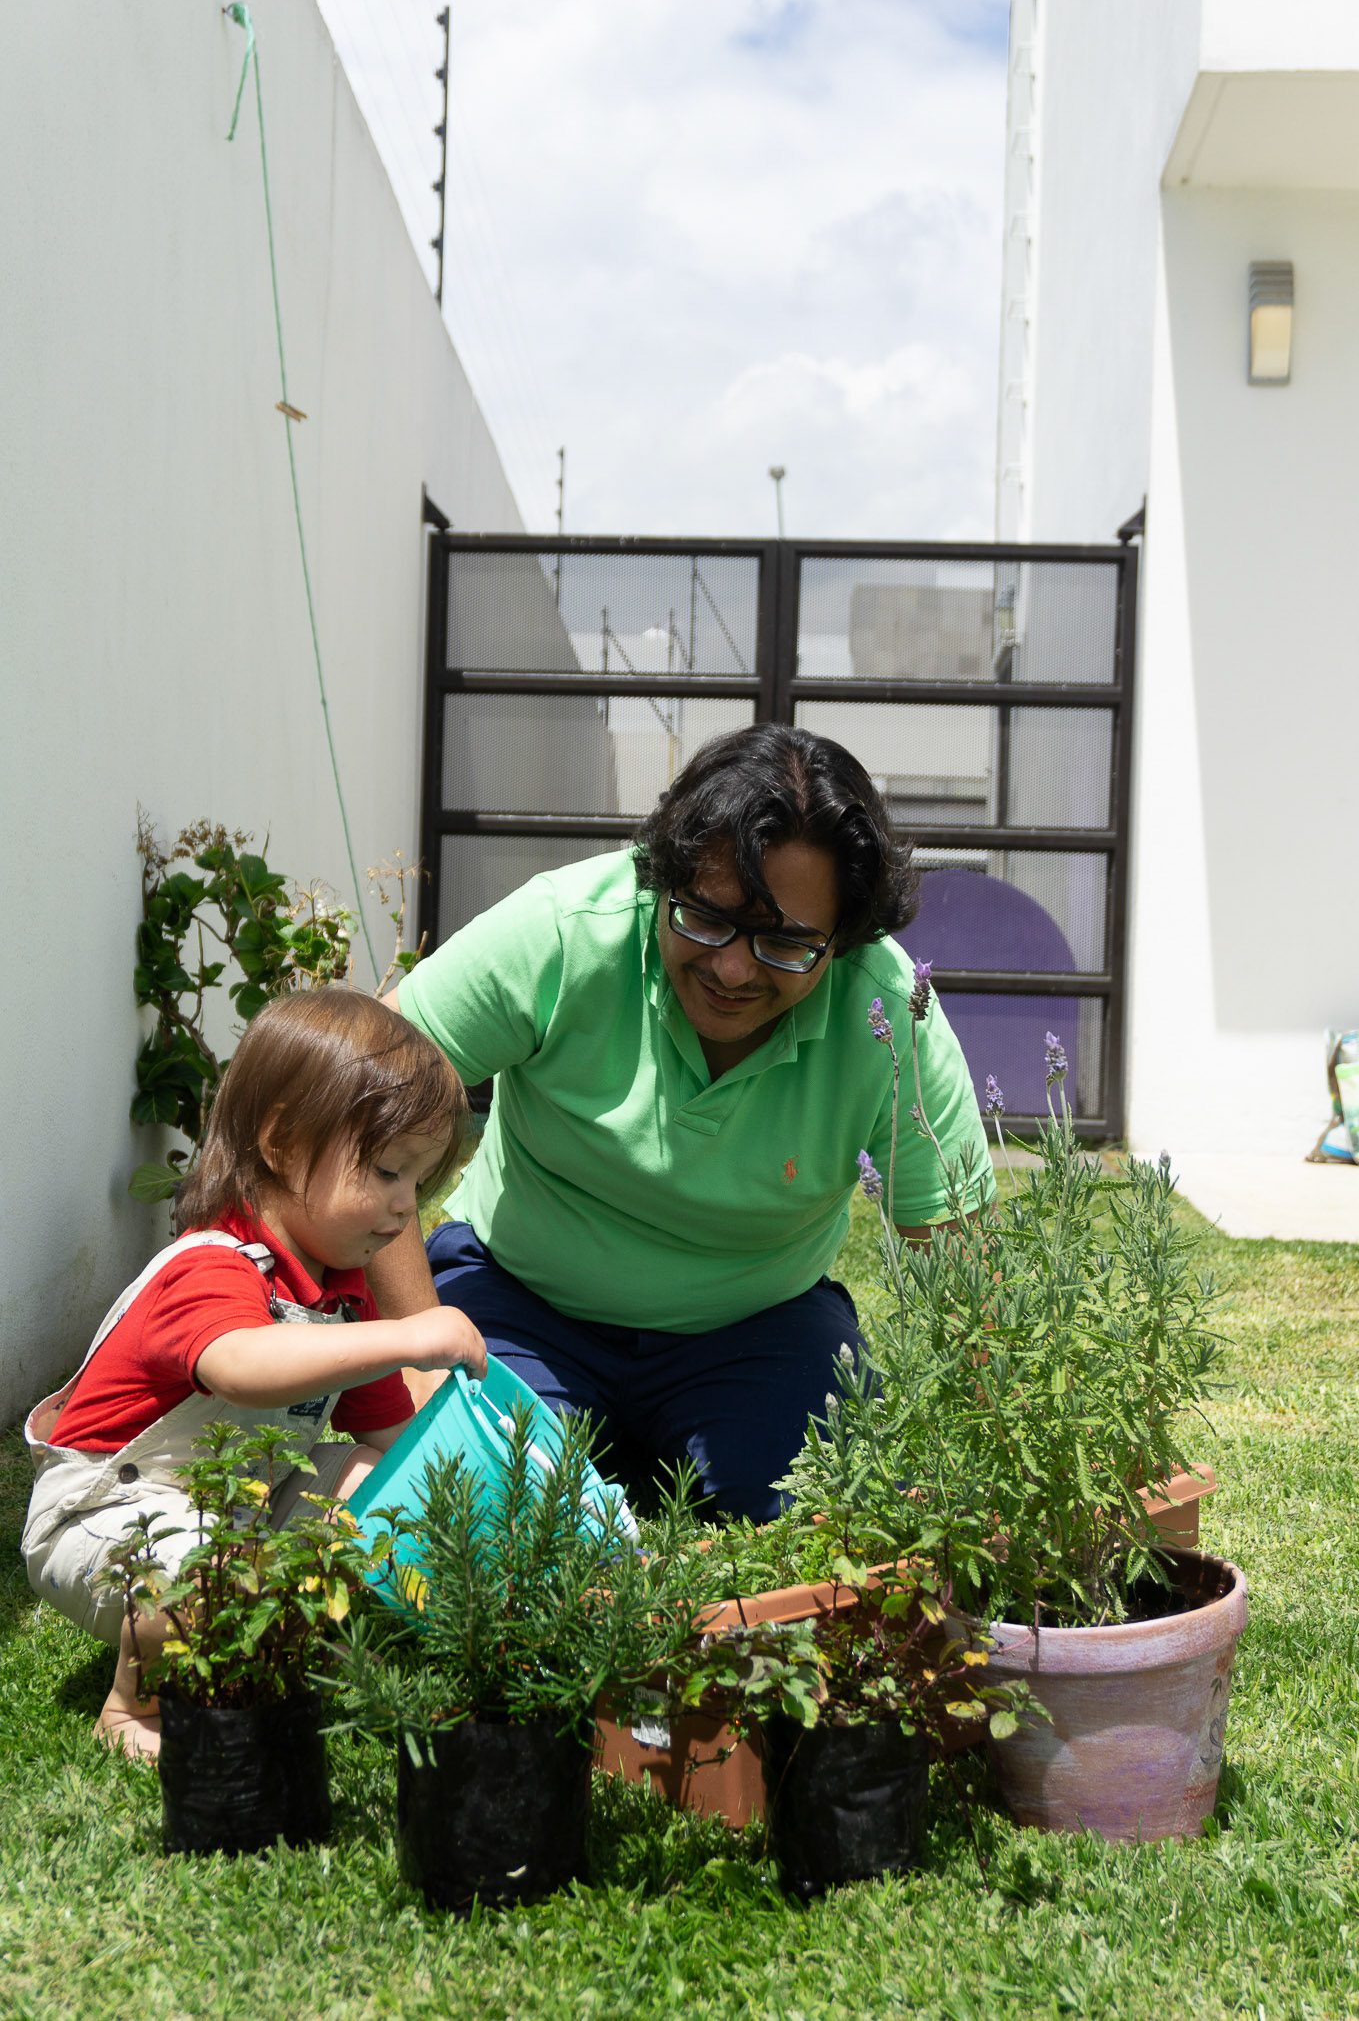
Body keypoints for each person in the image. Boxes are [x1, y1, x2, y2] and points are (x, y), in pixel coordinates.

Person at [374, 723, 993, 1521]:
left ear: (843, 940)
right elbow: (361, 1101)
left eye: (786, 943)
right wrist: (420, 1346)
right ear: (659, 878)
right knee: (480, 1507)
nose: (733, 969)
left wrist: (996, 1456)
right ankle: (606, 1433)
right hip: (519, 1295)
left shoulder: (888, 1008)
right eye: (705, 917)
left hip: (756, 1326)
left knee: (822, 1508)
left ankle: (644, 1439)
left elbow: (959, 1262)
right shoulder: (565, 930)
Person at [22, 987, 486, 1758]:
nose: (407, 1208)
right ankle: (133, 1710)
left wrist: (479, 1491)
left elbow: (391, 1439)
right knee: (215, 1589)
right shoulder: (210, 1268)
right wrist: (406, 1339)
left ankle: (292, 1632)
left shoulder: (341, 1295)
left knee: (372, 1479)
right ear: (281, 1142)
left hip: (231, 1512)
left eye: (418, 1180)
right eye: (385, 1171)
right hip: (105, 1519)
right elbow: (242, 1367)